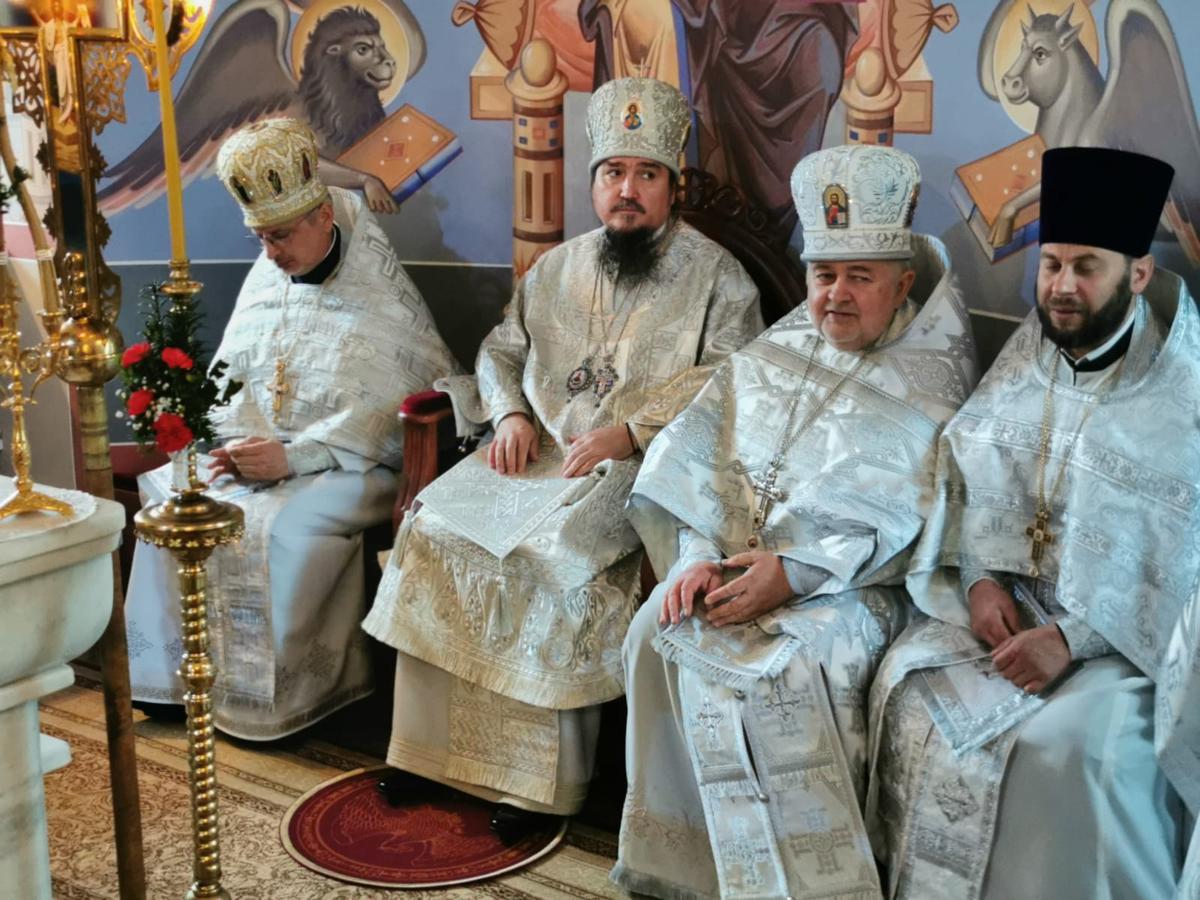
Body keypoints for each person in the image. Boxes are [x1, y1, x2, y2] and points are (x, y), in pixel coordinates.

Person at [362, 76, 763, 837]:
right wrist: (510, 413)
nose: (627, 191)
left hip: (633, 471)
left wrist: (633, 431)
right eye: (613, 173)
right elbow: (501, 350)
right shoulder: (555, 268)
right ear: (594, 183)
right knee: (433, 529)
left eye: (646, 175)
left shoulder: (719, 277)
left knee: (554, 558)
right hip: (535, 454)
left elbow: (733, 377)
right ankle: (425, 754)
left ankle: (534, 787)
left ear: (672, 187)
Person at [613, 145, 979, 899]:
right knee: (657, 627)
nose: (834, 296)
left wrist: (795, 573)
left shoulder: (934, 384)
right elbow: (694, 466)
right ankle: (683, 870)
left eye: (859, 277)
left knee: (787, 670)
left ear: (903, 282)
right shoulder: (772, 354)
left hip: (854, 591)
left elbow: (918, 521)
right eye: (822, 275)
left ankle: (792, 886)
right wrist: (693, 556)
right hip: (727, 565)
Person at [869, 147, 1197, 899]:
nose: (1062, 287)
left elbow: (1186, 573)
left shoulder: (1182, 396)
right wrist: (980, 582)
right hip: (1007, 617)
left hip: (1124, 648)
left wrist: (1071, 641)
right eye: (1051, 264)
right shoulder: (1028, 358)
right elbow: (967, 478)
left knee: (1069, 750)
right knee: (907, 695)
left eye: (1086, 267)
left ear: (1138, 274)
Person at [124, 118, 459, 740]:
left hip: (354, 468)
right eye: (260, 237)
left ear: (323, 216)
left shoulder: (377, 293)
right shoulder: (268, 274)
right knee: (173, 506)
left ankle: (277, 706)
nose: (270, 252)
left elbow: (391, 403)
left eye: (279, 235)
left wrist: (296, 457)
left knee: (278, 528)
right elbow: (235, 377)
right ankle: (171, 685)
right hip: (261, 463)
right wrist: (236, 445)